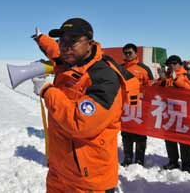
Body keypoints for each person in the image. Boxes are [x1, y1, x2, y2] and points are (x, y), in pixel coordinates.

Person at [33, 18, 134, 193]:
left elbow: (80, 124)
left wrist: (47, 91)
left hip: (88, 180)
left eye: (73, 40)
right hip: (59, 172)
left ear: (90, 44)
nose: (65, 46)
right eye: (62, 40)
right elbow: (54, 50)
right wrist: (41, 38)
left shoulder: (104, 77)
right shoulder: (70, 62)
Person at [120, 43, 154, 166]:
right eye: (125, 53)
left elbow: (151, 88)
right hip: (125, 106)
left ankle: (139, 160)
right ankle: (127, 158)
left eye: (130, 52)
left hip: (140, 107)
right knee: (126, 133)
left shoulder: (144, 69)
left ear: (136, 53)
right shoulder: (120, 68)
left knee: (140, 134)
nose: (128, 55)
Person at [160, 55, 190, 173]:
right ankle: (173, 161)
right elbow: (158, 90)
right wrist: (162, 80)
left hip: (184, 113)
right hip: (169, 112)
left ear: (180, 64)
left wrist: (176, 79)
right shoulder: (168, 75)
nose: (171, 66)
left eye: (174, 63)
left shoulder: (186, 75)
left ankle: (186, 164)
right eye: (169, 64)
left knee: (185, 140)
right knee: (169, 138)